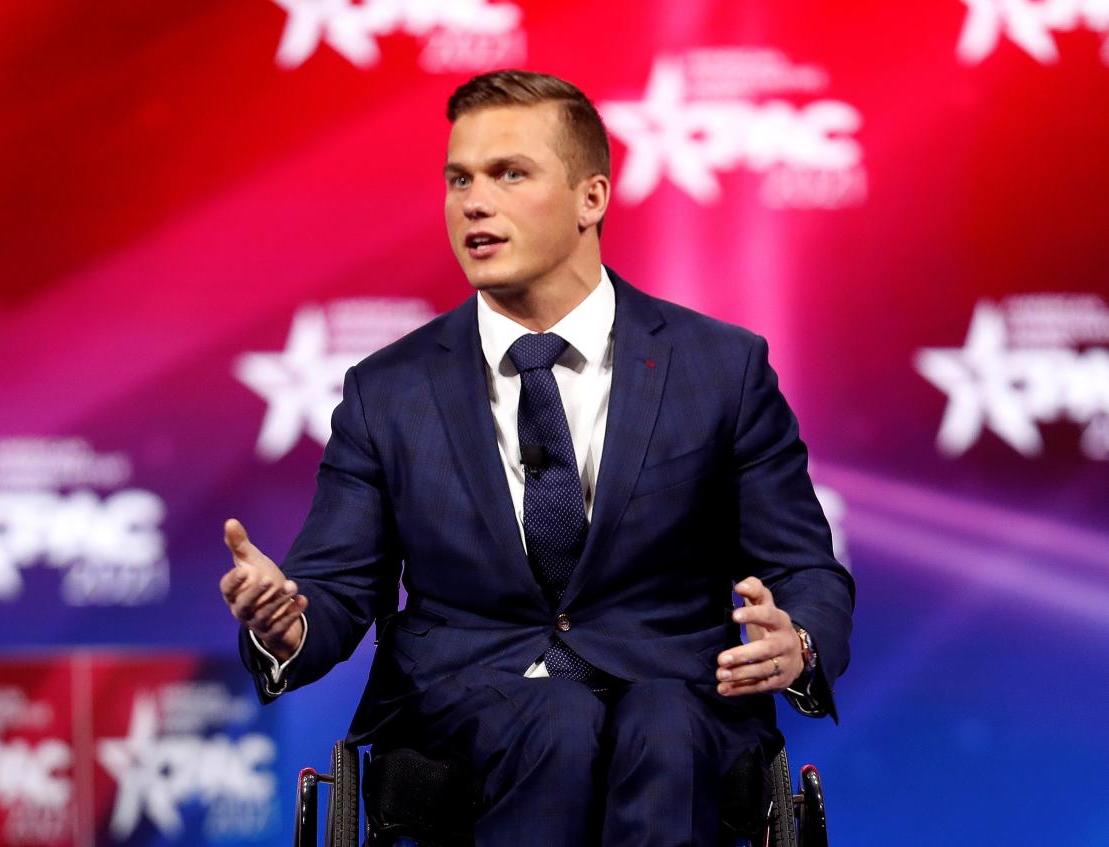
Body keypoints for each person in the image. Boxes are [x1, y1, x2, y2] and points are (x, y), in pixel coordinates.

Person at [220, 70, 854, 845]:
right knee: (555, 718)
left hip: (677, 697)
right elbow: (336, 588)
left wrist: (800, 640)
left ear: (592, 198)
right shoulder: (387, 389)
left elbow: (805, 570)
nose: (473, 203)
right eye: (459, 179)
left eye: (509, 174)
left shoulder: (721, 369)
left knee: (662, 724)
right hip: (464, 703)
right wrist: (286, 626)